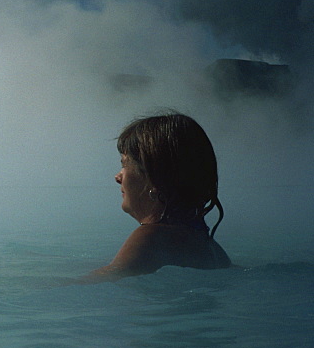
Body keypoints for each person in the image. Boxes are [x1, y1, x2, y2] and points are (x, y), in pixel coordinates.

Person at [89, 112, 231, 279]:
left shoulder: (151, 239)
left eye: (125, 165)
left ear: (154, 181)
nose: (117, 177)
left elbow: (102, 281)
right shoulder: (211, 247)